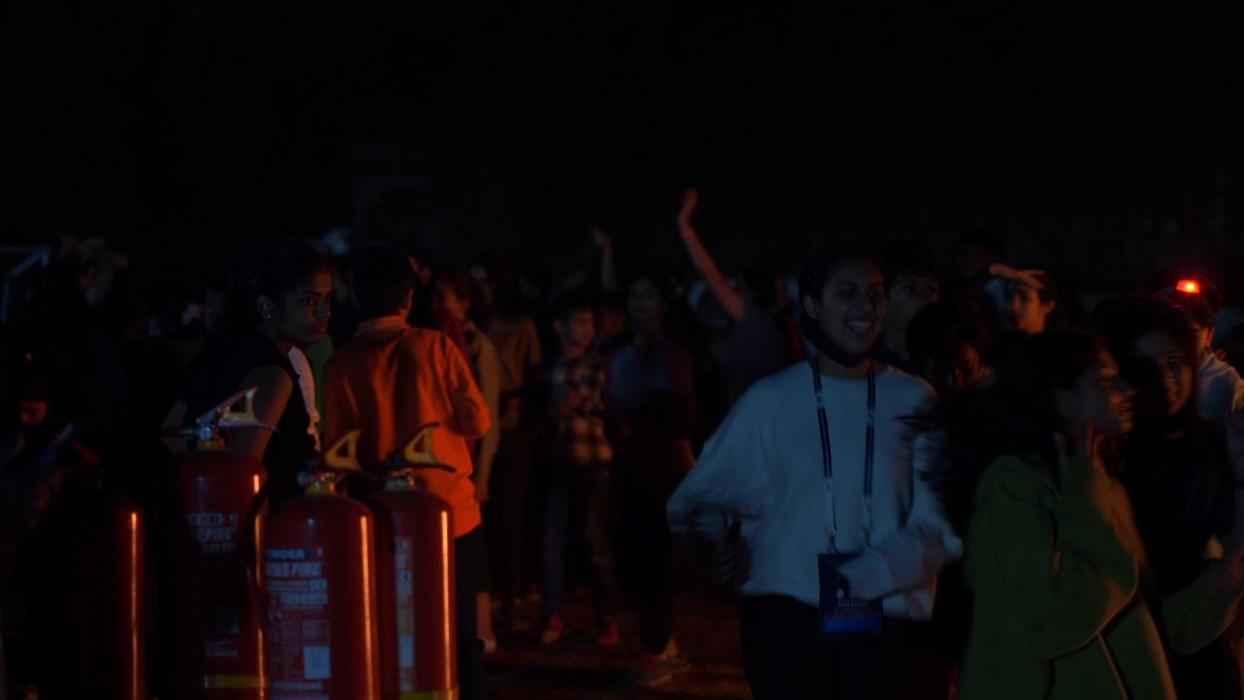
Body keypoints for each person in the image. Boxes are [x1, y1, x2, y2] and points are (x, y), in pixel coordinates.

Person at [668, 246, 960, 699]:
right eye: (847, 292)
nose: (865, 306)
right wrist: (718, 545)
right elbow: (697, 500)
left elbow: (941, 522)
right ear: (812, 305)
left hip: (892, 631)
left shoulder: (915, 398)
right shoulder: (770, 400)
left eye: (875, 293)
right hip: (790, 627)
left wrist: (870, 574)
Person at [948, 332, 1244, 699]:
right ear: (1061, 398)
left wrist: (1233, 571)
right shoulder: (1012, 485)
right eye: (1105, 381)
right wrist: (1104, 544)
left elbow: (1146, 623)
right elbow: (1037, 624)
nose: (1126, 390)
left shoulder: (1102, 483)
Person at [320, 247, 491, 700]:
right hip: (451, 514)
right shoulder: (435, 346)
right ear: (409, 298)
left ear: (355, 297)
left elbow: (337, 452)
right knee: (461, 633)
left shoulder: (340, 364)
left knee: (398, 631)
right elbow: (478, 420)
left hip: (383, 519)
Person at [1097, 297, 1242, 697]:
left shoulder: (1212, 442)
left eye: (1175, 363)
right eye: (1146, 368)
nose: (1165, 380)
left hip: (1204, 640)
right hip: (1129, 649)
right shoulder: (1107, 456)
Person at [165, 240, 331, 505]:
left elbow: (172, 434)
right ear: (267, 307)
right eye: (308, 301)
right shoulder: (271, 376)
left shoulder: (216, 355)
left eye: (327, 299)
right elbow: (241, 480)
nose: (324, 312)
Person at [606, 270, 697, 687]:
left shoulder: (673, 356)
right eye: (635, 296)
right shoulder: (622, 355)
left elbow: (680, 420)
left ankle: (657, 649)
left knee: (657, 559)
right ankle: (661, 644)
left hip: (662, 468)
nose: (641, 305)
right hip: (631, 465)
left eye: (649, 296)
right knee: (639, 558)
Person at [537, 294, 622, 648]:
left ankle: (607, 620)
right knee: (553, 542)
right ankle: (553, 615)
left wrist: (574, 404)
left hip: (593, 461)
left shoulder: (599, 364)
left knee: (594, 541)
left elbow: (600, 401)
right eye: (580, 322)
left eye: (590, 323)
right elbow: (548, 410)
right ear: (561, 327)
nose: (587, 329)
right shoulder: (551, 367)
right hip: (559, 461)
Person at [433, 269, 503, 653]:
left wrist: (484, 472)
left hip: (467, 464)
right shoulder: (439, 341)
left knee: (475, 555)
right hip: (451, 464)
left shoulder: (474, 346)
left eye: (449, 299)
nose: (442, 306)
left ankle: (482, 631)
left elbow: (486, 416)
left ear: (465, 303)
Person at [675, 189, 787, 405]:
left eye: (737, 287)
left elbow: (710, 273)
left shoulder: (756, 322)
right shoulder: (774, 330)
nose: (732, 290)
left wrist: (684, 225)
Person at [484, 267, 545, 631]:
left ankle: (514, 590)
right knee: (494, 513)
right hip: (487, 424)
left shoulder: (523, 327)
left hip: (513, 426)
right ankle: (499, 590)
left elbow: (532, 374)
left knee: (512, 511)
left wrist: (516, 402)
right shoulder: (483, 326)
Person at [878, 246, 942, 372]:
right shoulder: (864, 366)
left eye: (931, 289)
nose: (923, 297)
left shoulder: (943, 363)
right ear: (883, 297)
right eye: (909, 288)